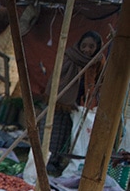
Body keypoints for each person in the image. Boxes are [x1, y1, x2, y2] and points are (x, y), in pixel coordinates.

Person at [44, 30, 105, 176]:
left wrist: (93, 96)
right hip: (64, 100)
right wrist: (60, 95)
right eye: (84, 46)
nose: (87, 50)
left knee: (73, 136)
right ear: (79, 45)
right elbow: (59, 77)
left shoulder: (99, 60)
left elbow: (100, 80)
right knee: (57, 132)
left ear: (97, 47)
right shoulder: (70, 55)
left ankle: (60, 162)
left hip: (83, 103)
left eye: (91, 46)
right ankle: (49, 162)